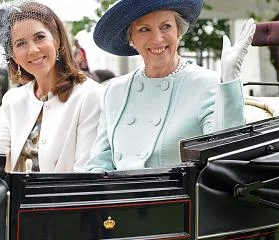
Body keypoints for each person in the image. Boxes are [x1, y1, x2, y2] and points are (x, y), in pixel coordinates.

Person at [85, 0, 255, 172]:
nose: (158, 39)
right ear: (131, 40)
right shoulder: (115, 90)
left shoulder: (207, 83)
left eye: (166, 27)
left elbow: (224, 151)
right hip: (122, 196)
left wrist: (229, 77)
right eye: (144, 29)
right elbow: (99, 164)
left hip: (176, 196)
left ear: (179, 32)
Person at [0, 1, 103, 173]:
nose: (33, 50)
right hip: (12, 198)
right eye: (21, 43)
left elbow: (86, 175)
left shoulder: (90, 95)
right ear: (13, 55)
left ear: (56, 40)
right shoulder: (13, 100)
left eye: (39, 37)